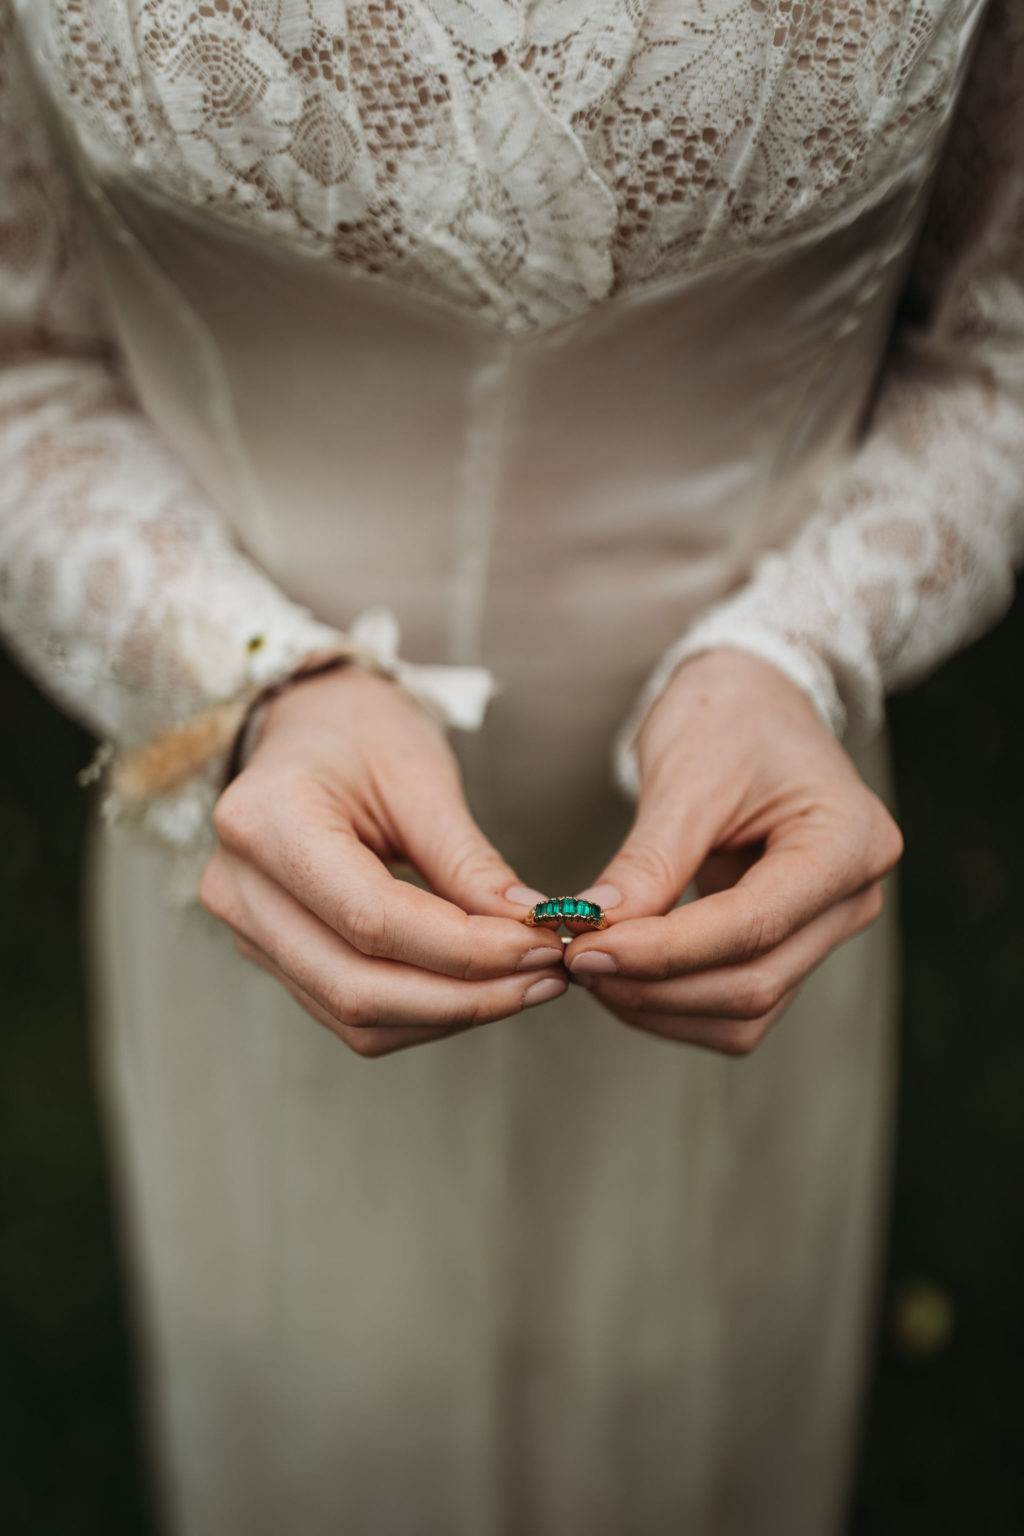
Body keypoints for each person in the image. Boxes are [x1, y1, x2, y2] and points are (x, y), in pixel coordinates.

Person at [1, 1, 1021, 1532]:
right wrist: (244, 680)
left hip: (752, 856)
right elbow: (25, 369)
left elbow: (1000, 353)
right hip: (264, 861)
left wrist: (804, 646)